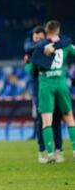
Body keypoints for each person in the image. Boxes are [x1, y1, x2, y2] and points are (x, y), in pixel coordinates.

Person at [30, 20, 75, 163]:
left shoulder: (40, 46)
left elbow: (32, 68)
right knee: (69, 117)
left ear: (46, 31)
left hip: (46, 84)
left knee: (46, 120)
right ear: (58, 30)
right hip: (61, 83)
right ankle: (74, 150)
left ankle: (50, 154)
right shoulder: (66, 44)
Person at [24, 26, 63, 163]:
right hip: (39, 90)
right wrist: (39, 58)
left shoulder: (52, 49)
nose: (38, 40)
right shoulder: (30, 50)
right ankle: (43, 151)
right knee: (42, 120)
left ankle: (58, 149)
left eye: (40, 38)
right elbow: (29, 69)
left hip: (53, 87)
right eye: (36, 38)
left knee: (57, 118)